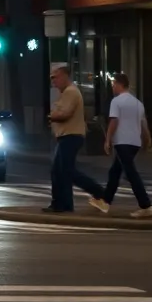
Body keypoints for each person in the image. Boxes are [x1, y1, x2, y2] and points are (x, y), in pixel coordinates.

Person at [88, 73, 152, 218]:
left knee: (131, 173)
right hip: (134, 143)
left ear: (119, 84)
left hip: (122, 141)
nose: (112, 87)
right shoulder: (138, 103)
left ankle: (146, 205)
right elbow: (143, 124)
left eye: (113, 85)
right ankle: (105, 202)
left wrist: (108, 139)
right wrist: (147, 140)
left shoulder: (116, 102)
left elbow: (114, 121)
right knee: (115, 172)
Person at [45, 65, 104, 213]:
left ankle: (98, 192)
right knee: (61, 171)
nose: (53, 81)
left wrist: (52, 116)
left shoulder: (70, 92)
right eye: (52, 78)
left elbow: (65, 114)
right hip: (68, 136)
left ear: (65, 76)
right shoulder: (67, 92)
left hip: (70, 136)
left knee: (65, 171)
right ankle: (63, 204)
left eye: (55, 77)